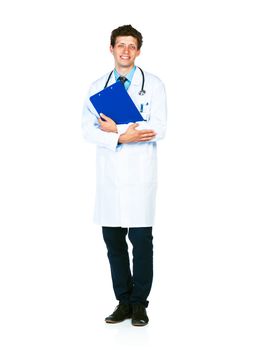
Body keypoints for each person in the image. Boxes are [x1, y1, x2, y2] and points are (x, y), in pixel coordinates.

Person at [82, 24, 167, 326]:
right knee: (114, 242)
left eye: (132, 45)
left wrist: (115, 130)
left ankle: (140, 304)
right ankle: (123, 302)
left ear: (139, 51)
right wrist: (122, 136)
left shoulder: (153, 86)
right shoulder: (97, 87)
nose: (126, 51)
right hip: (110, 180)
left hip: (139, 177)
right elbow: (87, 130)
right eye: (121, 45)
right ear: (111, 48)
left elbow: (158, 128)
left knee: (142, 242)